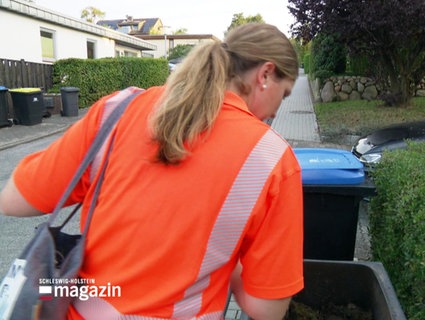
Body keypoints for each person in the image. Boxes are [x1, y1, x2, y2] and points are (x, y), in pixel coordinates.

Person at [0, 23, 304, 319]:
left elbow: (13, 199)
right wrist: (229, 257)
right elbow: (267, 309)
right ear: (265, 74)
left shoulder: (116, 111)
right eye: (285, 93)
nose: (278, 109)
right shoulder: (273, 159)